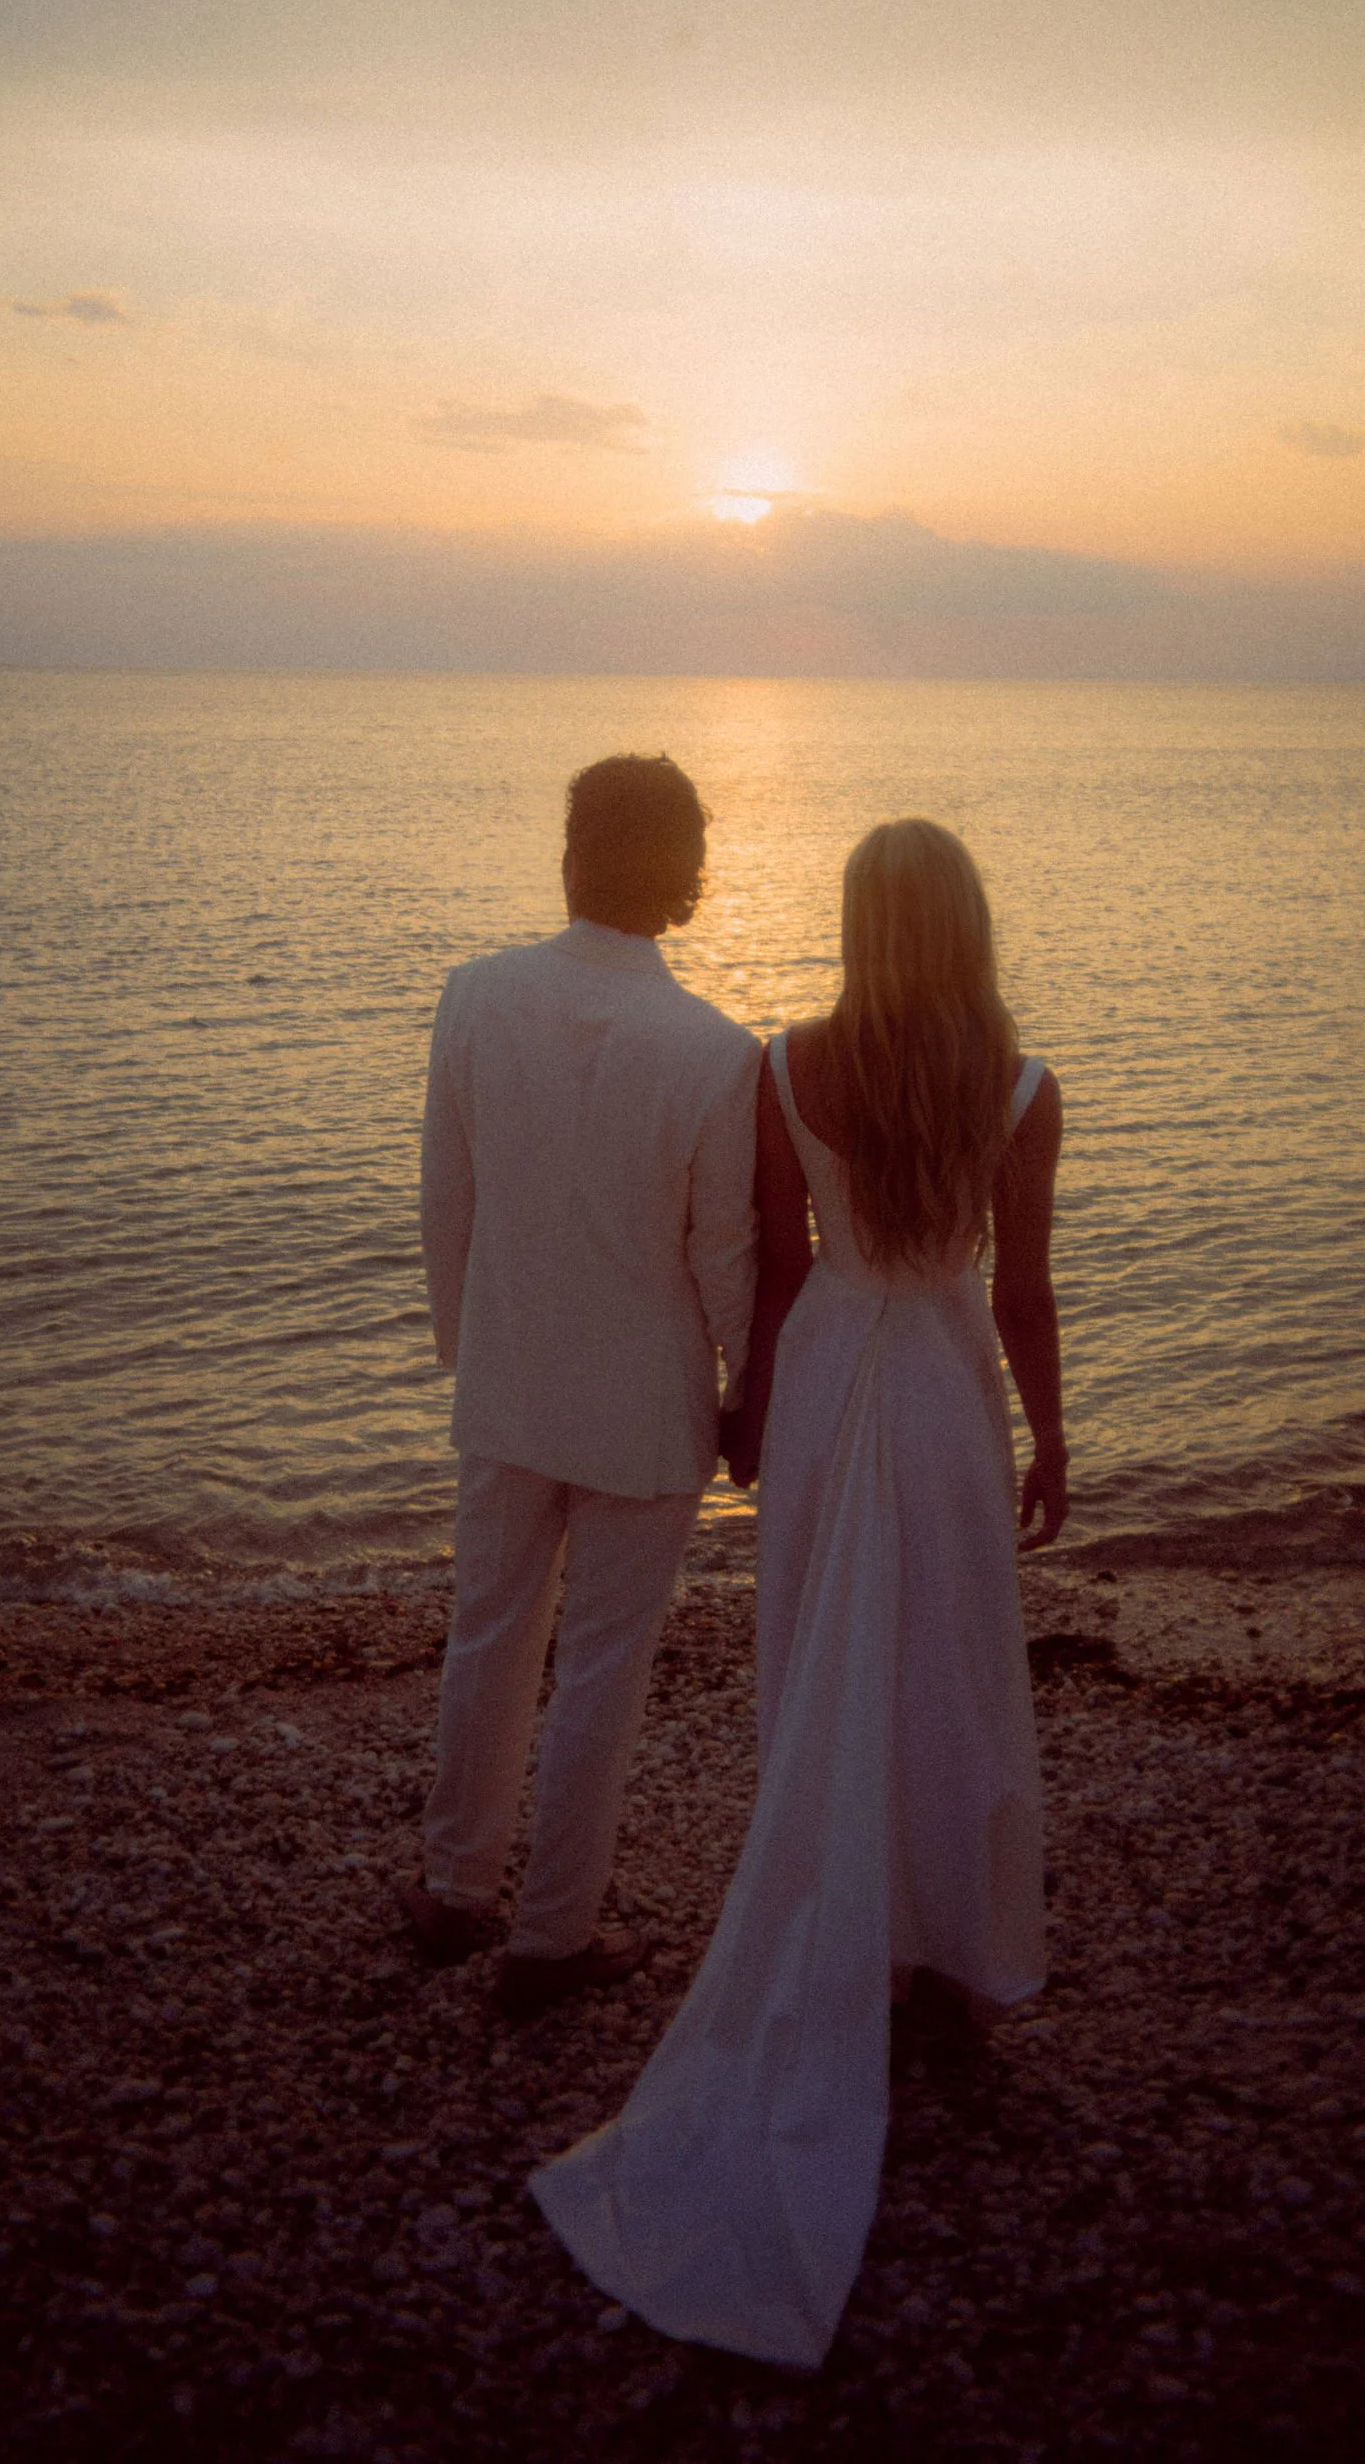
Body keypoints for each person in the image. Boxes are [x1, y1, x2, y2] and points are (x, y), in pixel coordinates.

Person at [532, 817, 1067, 2364]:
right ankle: (954, 1963)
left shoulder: (785, 1065)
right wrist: (1052, 1435)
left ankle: (866, 1932)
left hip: (833, 1371)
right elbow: (1019, 1288)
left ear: (857, 925)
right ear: (964, 926)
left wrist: (749, 1414)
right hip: (946, 1383)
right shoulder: (1019, 1089)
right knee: (953, 1664)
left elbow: (774, 1265)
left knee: (819, 1658)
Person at [407, 754, 760, 2017]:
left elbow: (447, 1201)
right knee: (604, 1665)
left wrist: (471, 1348)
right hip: (644, 1401)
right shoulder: (716, 1050)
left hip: (510, 1378)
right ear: (685, 877)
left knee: (489, 1632)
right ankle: (549, 1932)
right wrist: (743, 1398)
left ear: (571, 850)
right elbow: (724, 1254)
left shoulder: (475, 997)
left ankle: (456, 1887)